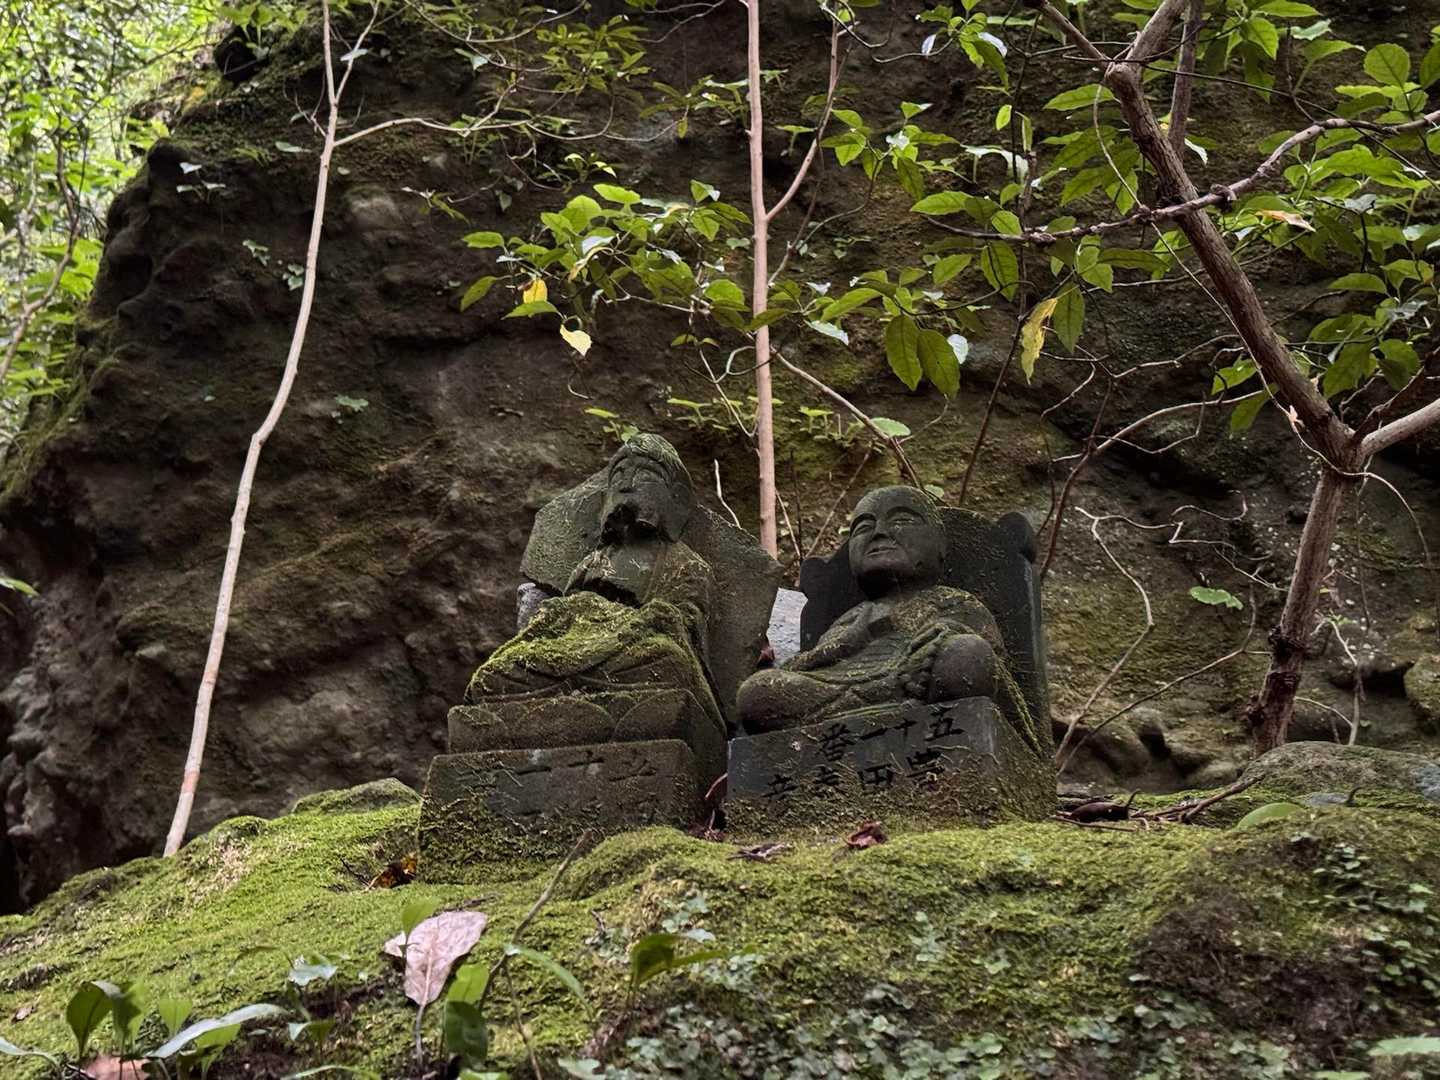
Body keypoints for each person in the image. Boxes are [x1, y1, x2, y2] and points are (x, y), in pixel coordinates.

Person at [465, 434, 725, 743]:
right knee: (494, 676)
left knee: (667, 662)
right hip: (572, 651)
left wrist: (646, 617)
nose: (627, 484)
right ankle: (566, 701)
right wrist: (564, 611)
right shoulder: (593, 561)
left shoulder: (686, 563)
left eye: (644, 475)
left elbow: (687, 623)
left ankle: (561, 709)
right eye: (619, 475)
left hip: (632, 653)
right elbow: (564, 617)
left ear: (674, 496)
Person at [737, 486, 1029, 741]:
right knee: (758, 692)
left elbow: (990, 657)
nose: (879, 532)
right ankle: (866, 714)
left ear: (939, 543)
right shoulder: (852, 617)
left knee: (966, 655)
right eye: (864, 527)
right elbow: (811, 665)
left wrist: (940, 638)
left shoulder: (953, 601)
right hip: (847, 689)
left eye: (901, 520)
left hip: (916, 678)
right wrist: (850, 640)